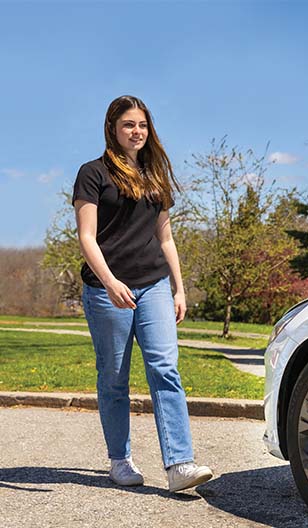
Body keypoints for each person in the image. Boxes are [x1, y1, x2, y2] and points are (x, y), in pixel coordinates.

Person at [73, 95, 213, 493]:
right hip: (107, 289)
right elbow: (87, 237)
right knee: (114, 378)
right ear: (112, 129)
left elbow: (165, 238)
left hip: (153, 284)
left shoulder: (154, 176)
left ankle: (179, 464)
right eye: (128, 125)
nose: (137, 132)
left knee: (165, 368)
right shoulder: (93, 173)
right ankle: (120, 460)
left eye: (142, 125)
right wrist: (111, 281)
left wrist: (179, 287)